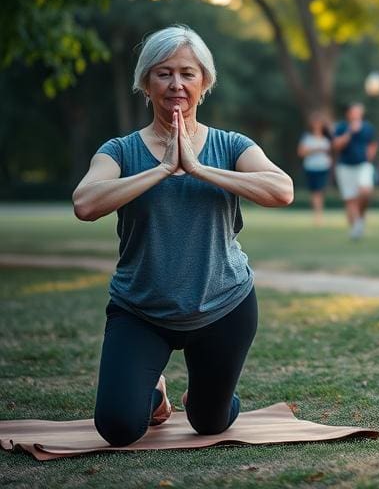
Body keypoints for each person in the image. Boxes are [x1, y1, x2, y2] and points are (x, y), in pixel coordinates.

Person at [72, 25, 294, 447]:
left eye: (188, 73)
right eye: (164, 73)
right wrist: (161, 170)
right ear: (146, 83)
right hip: (141, 310)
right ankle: (155, 394)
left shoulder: (231, 145)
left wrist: (198, 168)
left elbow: (282, 190)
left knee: (210, 422)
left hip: (224, 306)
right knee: (118, 428)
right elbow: (85, 203)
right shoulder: (120, 151)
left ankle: (209, 395)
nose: (176, 84)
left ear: (204, 82)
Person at [332, 102, 378, 240]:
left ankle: (359, 221)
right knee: (350, 198)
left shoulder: (368, 127)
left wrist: (370, 156)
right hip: (345, 167)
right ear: (348, 113)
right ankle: (356, 227)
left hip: (363, 165)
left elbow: (373, 143)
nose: (356, 114)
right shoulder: (341, 127)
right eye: (353, 112)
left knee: (366, 191)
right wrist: (349, 132)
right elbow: (336, 145)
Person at [298, 110, 333, 225]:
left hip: (323, 166)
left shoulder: (327, 137)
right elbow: (301, 152)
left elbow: (331, 151)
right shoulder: (307, 137)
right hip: (311, 167)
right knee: (314, 191)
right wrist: (316, 150)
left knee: (320, 191)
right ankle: (317, 215)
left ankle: (319, 214)